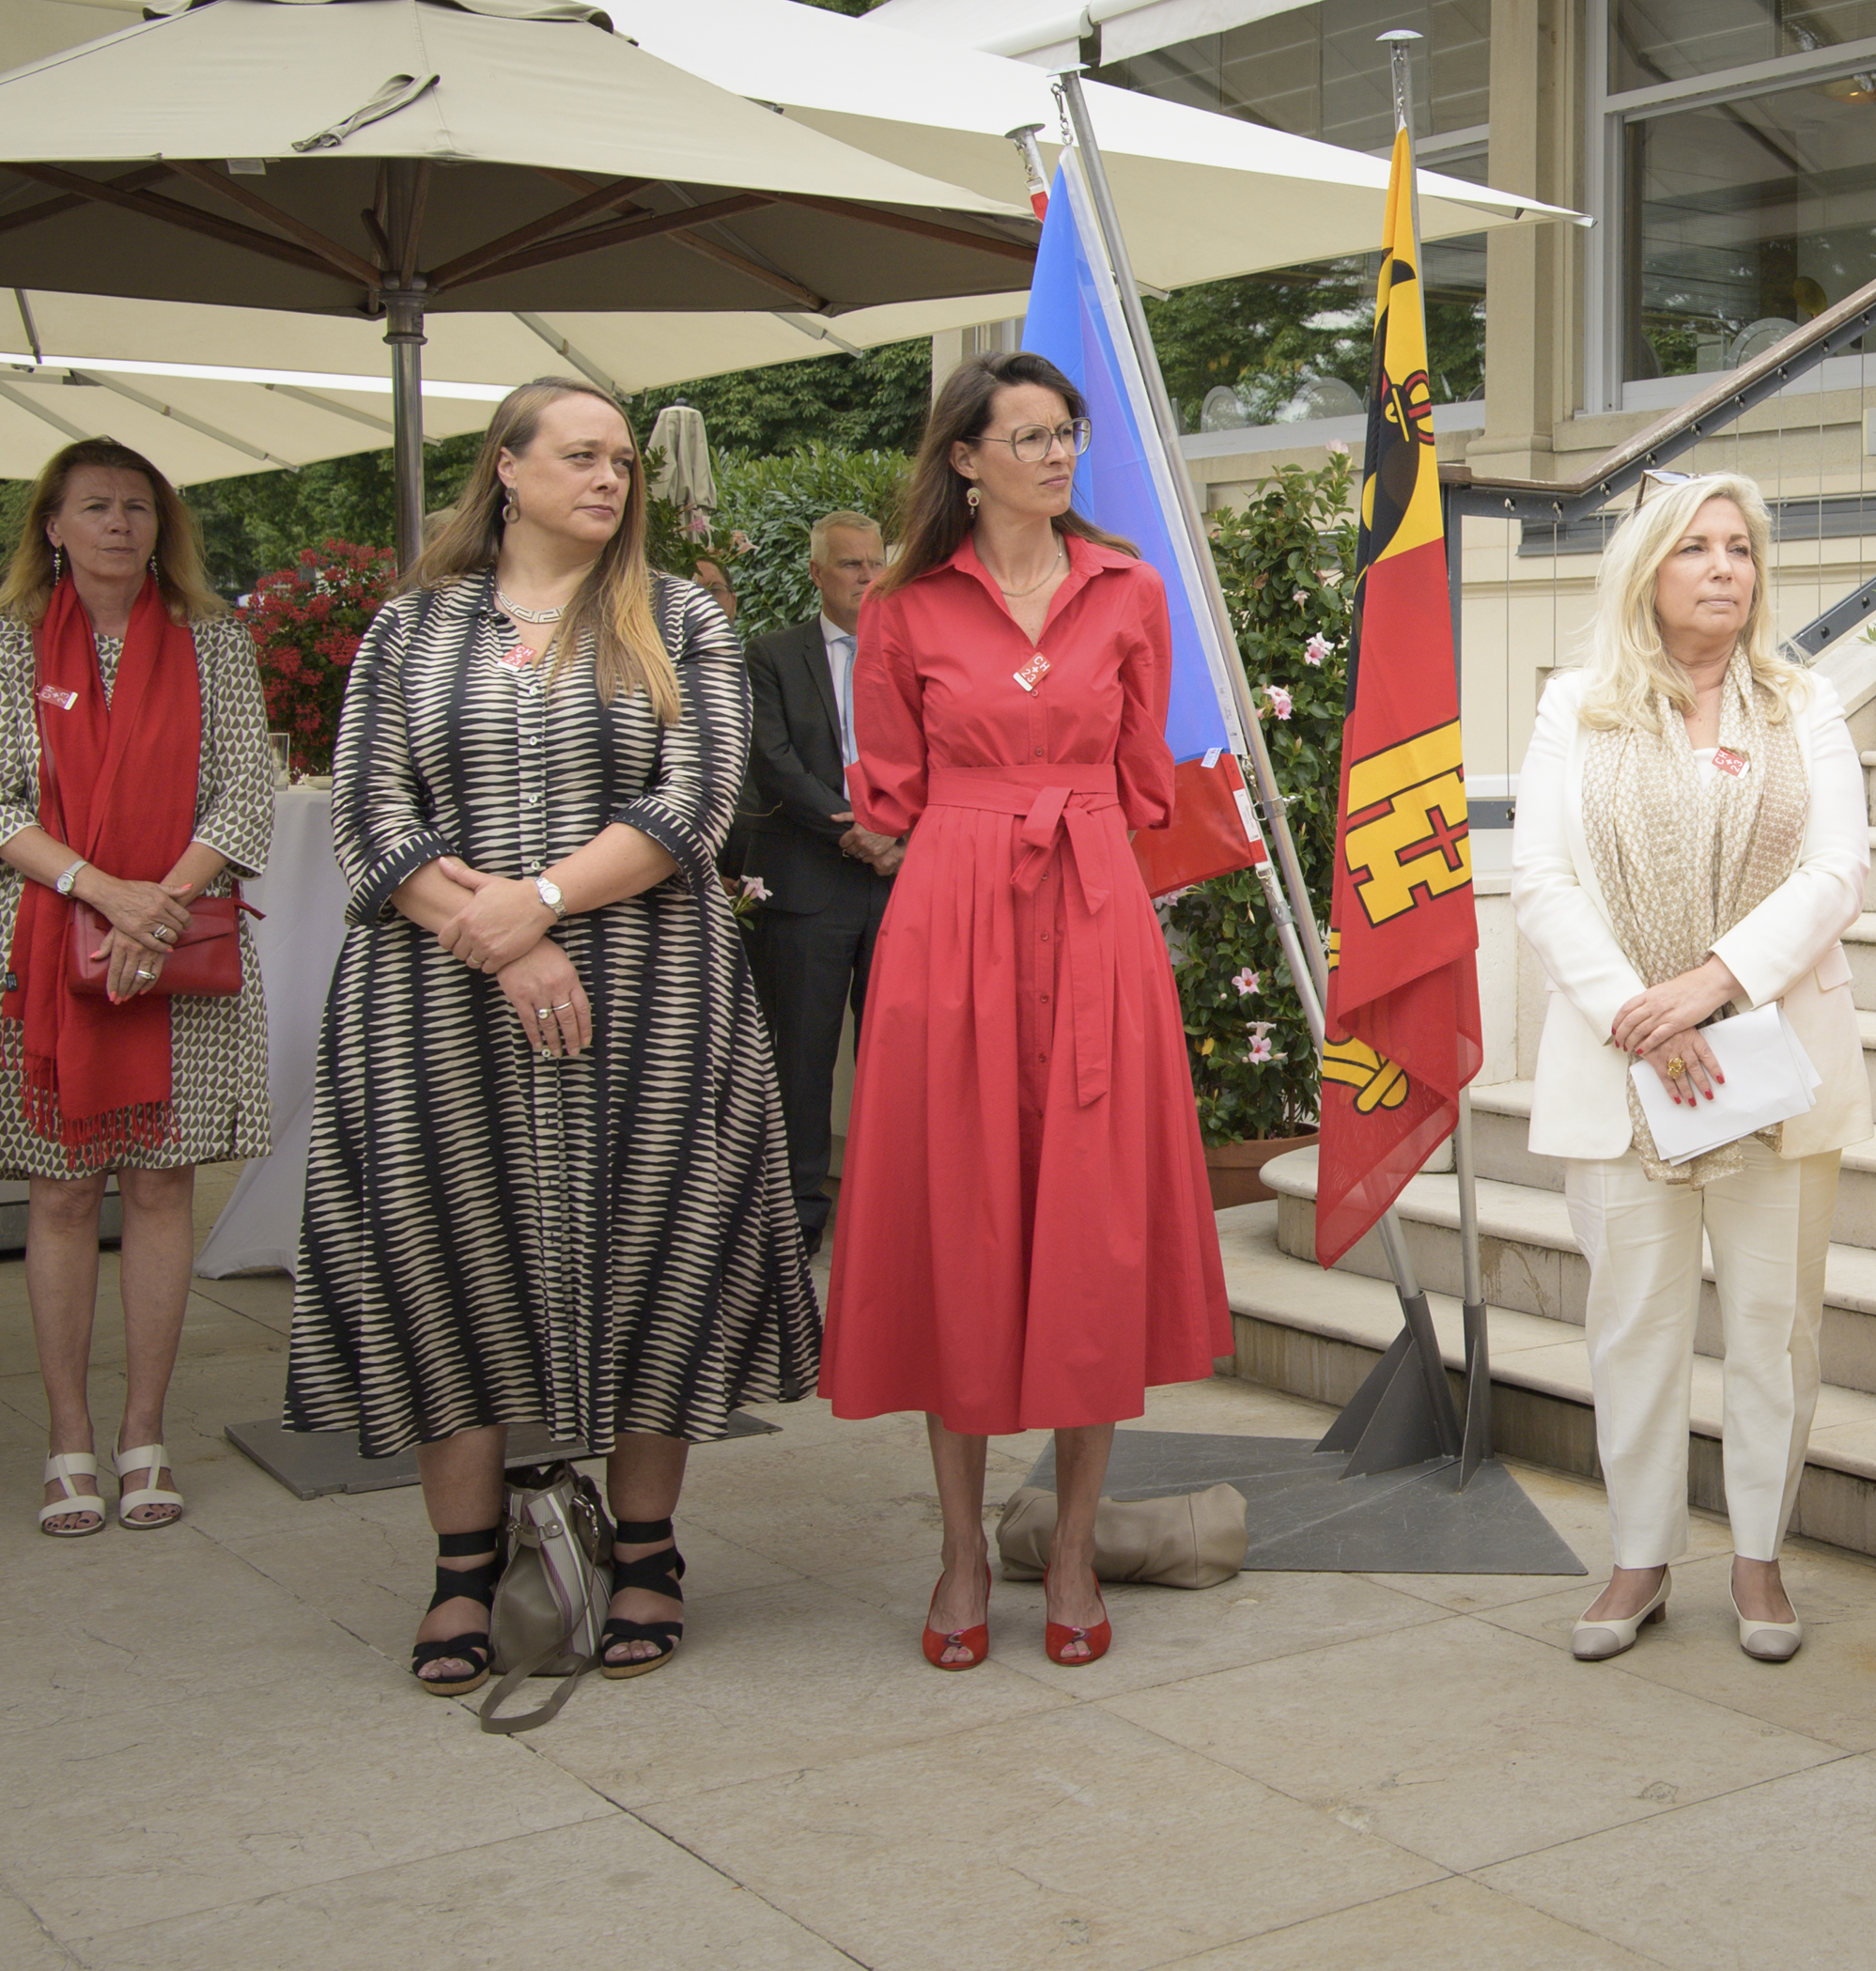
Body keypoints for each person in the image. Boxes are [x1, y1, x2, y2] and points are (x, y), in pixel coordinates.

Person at [288, 380, 817, 1692]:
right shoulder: (411, 627)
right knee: (444, 1257)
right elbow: (367, 809)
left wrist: (540, 900)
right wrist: (509, 935)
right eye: (581, 456)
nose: (611, 480)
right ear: (506, 470)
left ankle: (647, 1549)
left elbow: (695, 799)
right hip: (433, 1001)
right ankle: (464, 1567)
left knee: (658, 1255)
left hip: (652, 996)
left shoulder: (681, 617)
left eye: (625, 462)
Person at [819, 354, 1225, 1672]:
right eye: (1030, 436)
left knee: (1089, 1226)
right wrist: (976, 837)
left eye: (1067, 434)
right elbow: (886, 789)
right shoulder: (903, 605)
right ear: (966, 459)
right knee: (960, 1218)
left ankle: (1069, 1543)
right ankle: (954, 1548)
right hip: (953, 914)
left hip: (1094, 905)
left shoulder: (1132, 589)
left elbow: (1142, 775)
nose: (1057, 456)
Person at [1508, 472, 1871, 1665]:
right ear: (1648, 569)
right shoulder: (1580, 707)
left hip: (1771, 1064)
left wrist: (1714, 985)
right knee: (1633, 1328)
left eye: (1741, 550)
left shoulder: (1803, 702)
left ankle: (1758, 1558)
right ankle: (1639, 1557)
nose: (1724, 569)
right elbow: (1542, 881)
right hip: (1625, 1070)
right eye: (1696, 549)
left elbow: (1836, 872)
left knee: (1774, 1330)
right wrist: (1642, 1014)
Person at [3, 442, 277, 1537]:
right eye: (96, 506)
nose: (120, 523)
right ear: (53, 528)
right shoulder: (11, 643)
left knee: (163, 1187)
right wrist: (103, 892)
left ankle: (144, 1434)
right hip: (48, 947)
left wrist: (153, 907)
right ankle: (69, 1438)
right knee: (65, 1194)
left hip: (183, 947)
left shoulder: (215, 641)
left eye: (139, 507)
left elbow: (245, 790)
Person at [746, 511, 901, 1250]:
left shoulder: (909, 654)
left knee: (895, 1054)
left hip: (898, 881)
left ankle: (889, 1209)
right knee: (801, 1059)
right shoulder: (772, 656)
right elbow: (770, 758)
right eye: (849, 565)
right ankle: (798, 1212)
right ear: (816, 572)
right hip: (810, 882)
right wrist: (849, 826)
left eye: (874, 564)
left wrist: (896, 834)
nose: (866, 579)